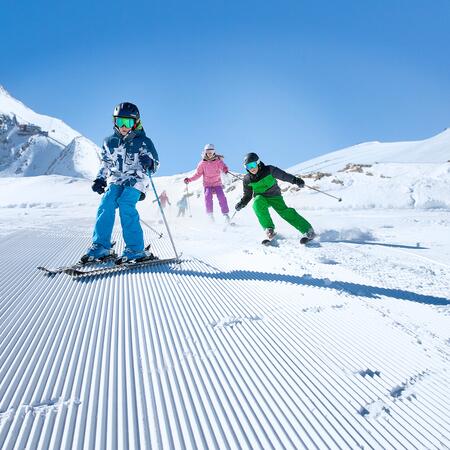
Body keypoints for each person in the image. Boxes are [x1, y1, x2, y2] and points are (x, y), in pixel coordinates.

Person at [81, 102, 159, 263]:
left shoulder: (144, 141)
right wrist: (100, 178)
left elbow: (155, 164)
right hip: (117, 179)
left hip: (137, 179)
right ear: (114, 121)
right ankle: (101, 246)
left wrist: (149, 162)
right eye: (120, 122)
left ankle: (135, 249)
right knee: (106, 203)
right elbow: (106, 163)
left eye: (128, 122)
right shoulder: (109, 142)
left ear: (135, 122)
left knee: (125, 204)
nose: (123, 126)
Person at [235, 152, 316, 243]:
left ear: (258, 162)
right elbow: (248, 195)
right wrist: (242, 203)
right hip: (261, 197)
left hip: (275, 196)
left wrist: (295, 180)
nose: (252, 168)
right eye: (248, 166)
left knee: (285, 212)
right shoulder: (247, 180)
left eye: (253, 164)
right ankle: (269, 229)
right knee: (257, 204)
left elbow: (283, 175)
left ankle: (308, 231)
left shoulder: (269, 169)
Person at [184, 144, 230, 221]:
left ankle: (225, 215)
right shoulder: (202, 163)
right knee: (207, 197)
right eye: (207, 151)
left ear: (214, 152)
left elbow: (223, 166)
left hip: (217, 183)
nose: (209, 153)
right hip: (207, 184)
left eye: (211, 151)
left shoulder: (218, 161)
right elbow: (198, 174)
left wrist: (225, 169)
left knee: (221, 197)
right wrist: (189, 179)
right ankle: (210, 215)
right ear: (205, 152)